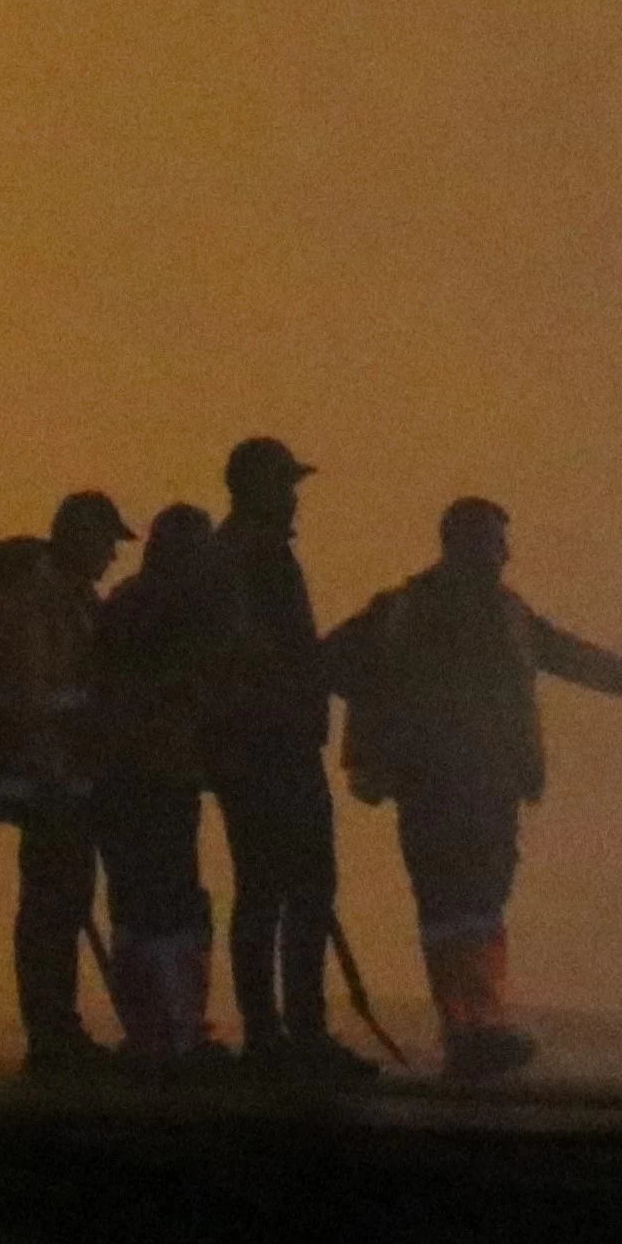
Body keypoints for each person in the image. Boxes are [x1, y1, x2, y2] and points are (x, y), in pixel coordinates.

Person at [329, 501, 622, 1082]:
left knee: (461, 903)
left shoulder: (424, 612)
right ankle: (474, 1025)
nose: (505, 556)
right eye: (496, 543)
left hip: (456, 785)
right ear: (470, 545)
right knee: (465, 902)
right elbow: (574, 660)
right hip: (457, 785)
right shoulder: (452, 614)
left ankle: (470, 1024)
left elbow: (334, 664)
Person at [198, 434, 364, 1079]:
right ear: (259, 487)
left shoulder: (236, 553)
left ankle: (277, 1031)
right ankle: (293, 1033)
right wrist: (315, 677)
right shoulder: (251, 556)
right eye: (286, 485)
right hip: (270, 743)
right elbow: (263, 652)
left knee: (269, 889)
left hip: (260, 742)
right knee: (299, 886)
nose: (295, 498)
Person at [0, 495, 127, 1071]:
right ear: (79, 537)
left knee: (64, 903)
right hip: (46, 781)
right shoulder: (34, 600)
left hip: (70, 776)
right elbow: (34, 696)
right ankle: (51, 1033)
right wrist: (55, 771)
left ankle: (59, 1027)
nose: (112, 554)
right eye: (106, 540)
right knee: (51, 908)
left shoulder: (70, 596)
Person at [86, 502, 230, 1065]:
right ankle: (173, 1032)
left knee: (142, 905)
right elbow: (182, 691)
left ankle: (161, 1030)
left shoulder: (128, 603)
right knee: (166, 903)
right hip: (153, 772)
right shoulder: (167, 609)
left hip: (138, 773)